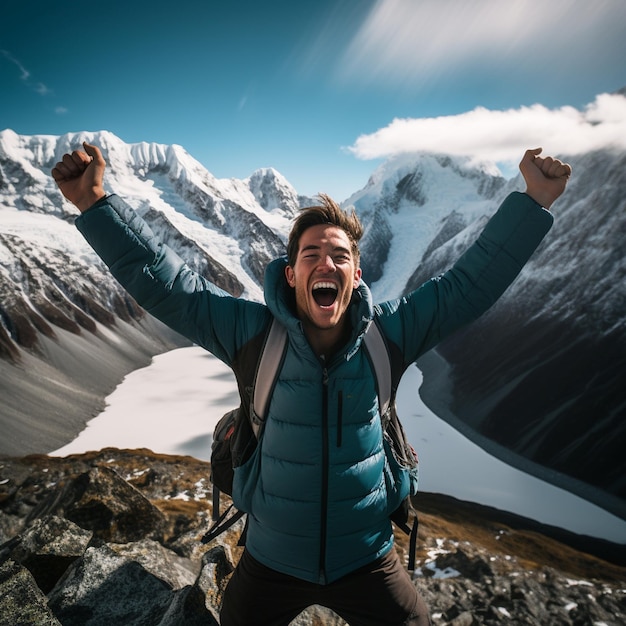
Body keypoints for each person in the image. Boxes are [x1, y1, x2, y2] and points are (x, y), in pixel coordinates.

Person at [51, 144, 571, 625]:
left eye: (340, 255)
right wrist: (95, 203)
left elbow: (466, 286)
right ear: (292, 274)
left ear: (357, 274)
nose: (327, 262)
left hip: (368, 557)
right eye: (311, 255)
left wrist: (533, 202)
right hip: (271, 559)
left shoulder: (388, 334)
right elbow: (169, 284)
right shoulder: (252, 333)